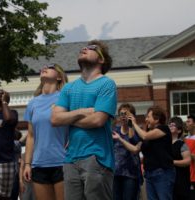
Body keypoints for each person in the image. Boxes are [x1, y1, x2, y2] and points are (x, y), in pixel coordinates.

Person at [51, 40, 117, 200]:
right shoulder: (69, 88)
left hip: (96, 158)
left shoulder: (107, 84)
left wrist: (68, 117)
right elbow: (54, 119)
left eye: (92, 48)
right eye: (84, 47)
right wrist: (81, 111)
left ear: (101, 60)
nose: (84, 49)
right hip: (70, 159)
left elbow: (98, 120)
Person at [23, 63, 68, 200]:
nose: (45, 67)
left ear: (59, 77)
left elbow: (75, 125)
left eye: (51, 67)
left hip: (63, 162)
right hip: (39, 164)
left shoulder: (65, 98)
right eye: (44, 66)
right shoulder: (32, 103)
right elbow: (30, 136)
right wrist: (27, 164)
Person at [116, 106, 175, 200]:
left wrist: (134, 123)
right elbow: (134, 145)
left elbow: (145, 136)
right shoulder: (148, 134)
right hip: (149, 174)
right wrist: (121, 136)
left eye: (148, 117)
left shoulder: (163, 129)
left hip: (162, 173)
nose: (146, 119)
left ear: (157, 119)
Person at [112, 103, 142, 200]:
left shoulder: (138, 131)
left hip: (131, 174)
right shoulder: (114, 130)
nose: (123, 116)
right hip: (115, 173)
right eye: (121, 114)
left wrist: (131, 124)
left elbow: (135, 147)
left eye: (126, 114)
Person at [168, 116, 191, 200]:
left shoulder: (182, 144)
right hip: (168, 182)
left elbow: (188, 161)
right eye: (169, 124)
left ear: (179, 130)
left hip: (180, 183)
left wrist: (172, 162)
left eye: (173, 125)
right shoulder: (164, 145)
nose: (170, 126)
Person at [184, 114, 195, 199]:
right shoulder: (185, 138)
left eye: (188, 121)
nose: (186, 123)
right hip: (186, 176)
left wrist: (185, 154)